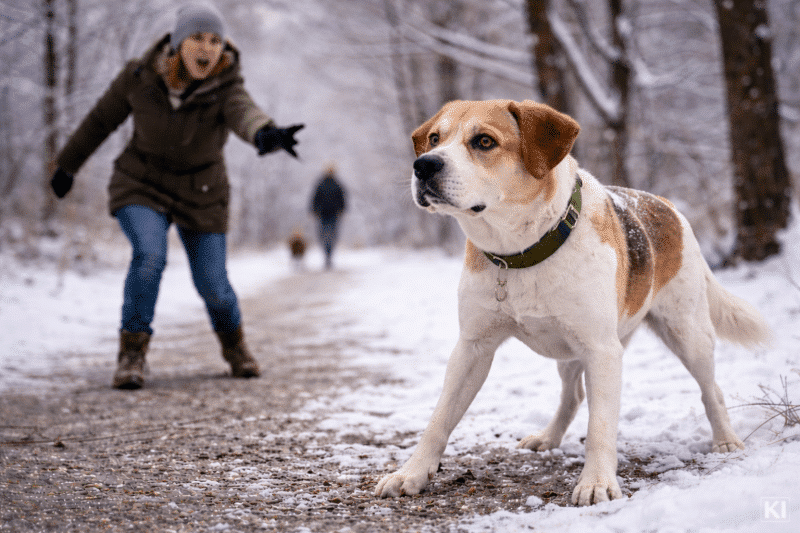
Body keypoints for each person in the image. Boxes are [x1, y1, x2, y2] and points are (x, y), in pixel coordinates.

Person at [49, 2, 304, 389]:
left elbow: (244, 112)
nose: (207, 48)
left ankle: (235, 347)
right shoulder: (138, 76)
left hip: (202, 191)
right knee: (149, 255)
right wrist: (67, 164)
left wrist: (265, 133)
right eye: (198, 38)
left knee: (214, 285)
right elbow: (101, 120)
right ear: (178, 42)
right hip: (141, 183)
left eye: (215, 40)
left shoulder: (226, 85)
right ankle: (131, 355)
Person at [310, 165, 347, 270]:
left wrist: (314, 210)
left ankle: (328, 256)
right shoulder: (332, 184)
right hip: (327, 214)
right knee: (330, 235)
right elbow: (315, 198)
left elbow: (342, 199)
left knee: (326, 235)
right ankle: (328, 256)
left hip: (328, 214)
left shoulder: (330, 184)